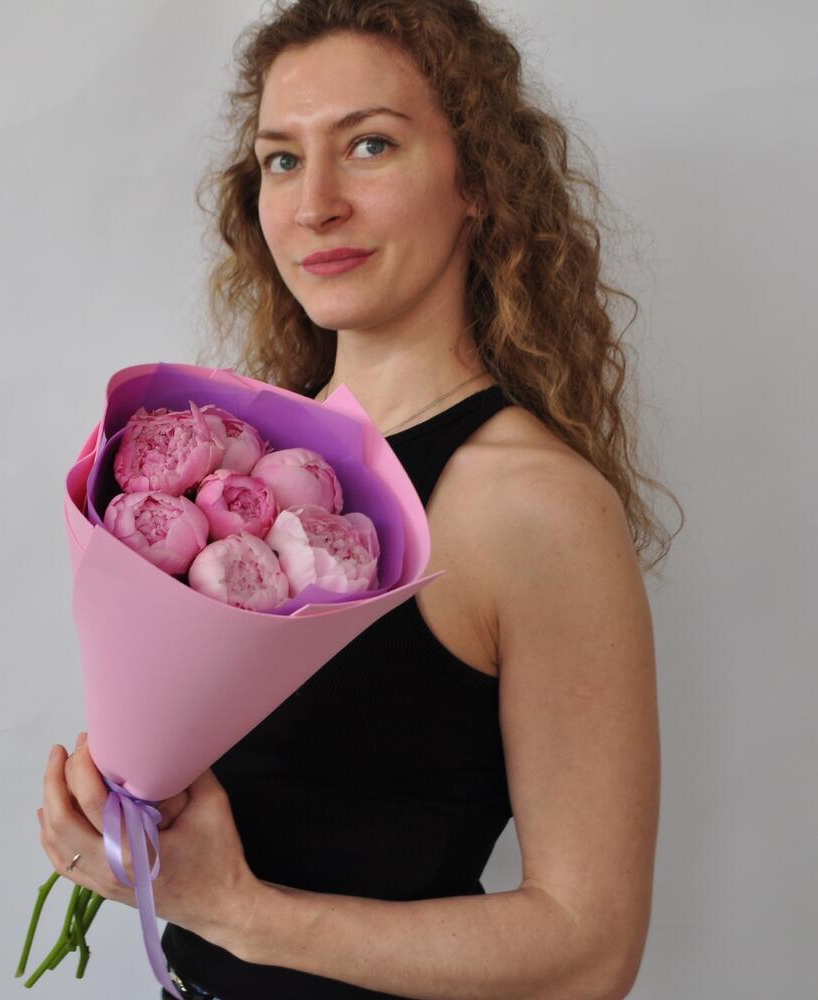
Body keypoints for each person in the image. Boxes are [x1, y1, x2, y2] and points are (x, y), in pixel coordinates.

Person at [39, 2, 681, 998]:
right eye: (282, 159)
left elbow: (590, 950)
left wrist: (232, 909)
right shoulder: (243, 468)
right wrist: (127, 823)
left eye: (369, 144)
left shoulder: (536, 506)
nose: (314, 205)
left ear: (479, 179)